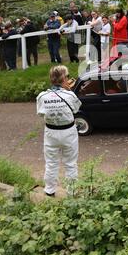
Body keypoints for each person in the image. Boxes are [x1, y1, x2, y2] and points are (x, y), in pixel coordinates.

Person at [36, 65, 81, 197]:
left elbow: (40, 113)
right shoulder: (70, 95)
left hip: (51, 133)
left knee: (51, 163)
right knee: (71, 163)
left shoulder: (42, 96)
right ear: (64, 78)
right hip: (68, 132)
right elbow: (76, 109)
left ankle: (49, 190)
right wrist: (68, 91)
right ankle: (71, 192)